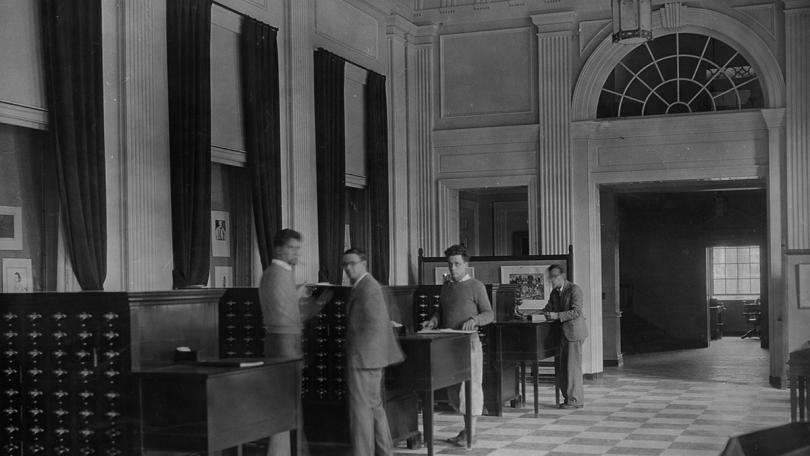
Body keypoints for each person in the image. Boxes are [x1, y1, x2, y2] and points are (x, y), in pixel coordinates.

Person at [260, 229, 332, 456]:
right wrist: (318, 303)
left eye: (297, 248)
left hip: (281, 342)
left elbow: (283, 308)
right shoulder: (279, 274)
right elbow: (288, 319)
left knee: (285, 405)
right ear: (279, 249)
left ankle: (295, 451)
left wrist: (297, 295)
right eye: (292, 248)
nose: (296, 253)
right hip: (285, 345)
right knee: (285, 405)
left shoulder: (275, 274)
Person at [421, 244, 493, 446]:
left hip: (469, 345)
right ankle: (466, 430)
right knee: (453, 392)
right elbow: (440, 311)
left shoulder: (476, 286)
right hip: (448, 346)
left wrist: (474, 320)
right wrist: (433, 321)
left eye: (457, 264)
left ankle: (471, 433)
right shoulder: (447, 286)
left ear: (466, 264)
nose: (453, 268)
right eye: (450, 264)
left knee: (469, 390)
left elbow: (489, 314)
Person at [342, 248, 404, 456]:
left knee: (360, 414)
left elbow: (373, 325)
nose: (348, 268)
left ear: (364, 263)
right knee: (375, 408)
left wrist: (356, 356)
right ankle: (385, 452)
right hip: (373, 358)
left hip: (363, 359)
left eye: (352, 263)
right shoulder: (367, 286)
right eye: (345, 265)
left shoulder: (367, 287)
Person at [542, 264, 588, 409]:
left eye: (555, 277)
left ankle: (575, 401)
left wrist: (557, 315)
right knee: (564, 368)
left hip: (574, 333)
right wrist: (530, 314)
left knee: (572, 368)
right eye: (551, 277)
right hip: (562, 334)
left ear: (563, 276)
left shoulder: (574, 289)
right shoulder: (554, 293)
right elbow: (547, 308)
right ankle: (569, 399)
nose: (552, 280)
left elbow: (576, 312)